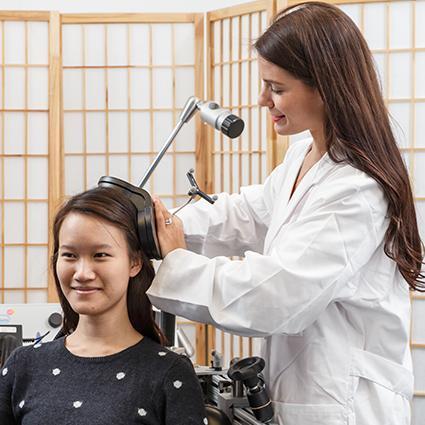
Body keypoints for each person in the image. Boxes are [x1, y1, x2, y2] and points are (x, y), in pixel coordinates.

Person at [147, 2, 424, 425]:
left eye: (276, 88)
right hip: (306, 395)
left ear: (326, 87)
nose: (262, 100)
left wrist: (174, 264)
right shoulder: (303, 157)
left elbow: (274, 296)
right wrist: (161, 225)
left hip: (345, 407)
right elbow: (246, 213)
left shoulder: (356, 188)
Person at [0, 187, 207, 425]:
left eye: (100, 255)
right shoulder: (23, 366)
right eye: (69, 255)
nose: (82, 273)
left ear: (134, 262)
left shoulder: (170, 373)